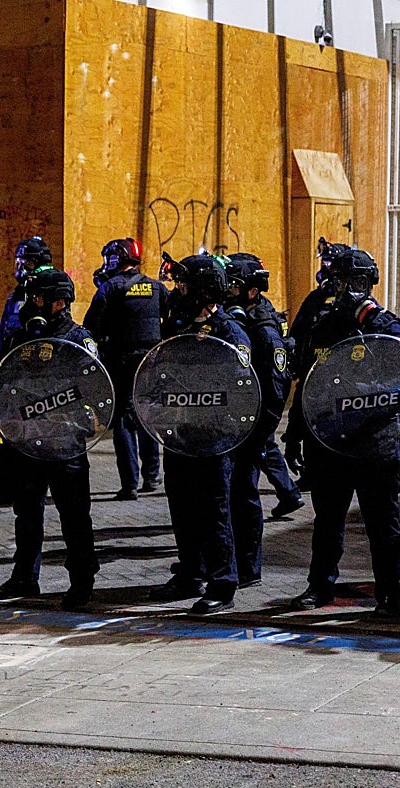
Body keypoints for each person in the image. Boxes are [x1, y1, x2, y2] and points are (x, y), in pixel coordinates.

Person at [281, 247, 400, 618]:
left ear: (367, 284)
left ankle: (391, 594)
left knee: (383, 524)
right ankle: (320, 585)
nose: (344, 291)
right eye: (339, 282)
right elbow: (309, 384)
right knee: (326, 522)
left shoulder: (386, 327)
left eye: (353, 283)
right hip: (330, 441)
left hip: (375, 441)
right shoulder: (323, 326)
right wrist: (296, 432)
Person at [0, 269, 100, 609]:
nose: (30, 304)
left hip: (65, 442)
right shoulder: (22, 338)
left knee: (75, 515)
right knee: (26, 512)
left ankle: (82, 581)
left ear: (58, 302)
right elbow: (6, 380)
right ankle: (25, 576)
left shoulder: (78, 339)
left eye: (37, 299)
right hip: (29, 441)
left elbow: (97, 389)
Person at [148, 254, 250, 615]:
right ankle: (191, 573)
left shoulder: (229, 333)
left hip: (213, 438)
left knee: (215, 512)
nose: (179, 290)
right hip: (180, 434)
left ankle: (223, 583)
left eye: (185, 284)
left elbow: (241, 387)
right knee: (183, 508)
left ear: (203, 290)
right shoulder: (179, 325)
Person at [224, 253, 293, 588]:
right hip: (234, 426)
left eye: (233, 285)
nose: (227, 291)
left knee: (244, 495)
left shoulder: (264, 330)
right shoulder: (239, 320)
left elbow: (276, 389)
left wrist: (259, 434)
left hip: (251, 430)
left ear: (251, 291)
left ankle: (249, 568)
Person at [83, 237, 167, 500]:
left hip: (120, 361)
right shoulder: (156, 287)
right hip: (151, 360)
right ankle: (152, 475)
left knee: (123, 420)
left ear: (117, 258)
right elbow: (171, 317)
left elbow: (90, 326)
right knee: (147, 415)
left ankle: (129, 483)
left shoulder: (110, 288)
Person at [0, 237, 51, 508]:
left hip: (31, 381)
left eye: (26, 261)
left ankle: (27, 488)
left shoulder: (46, 291)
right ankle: (5, 487)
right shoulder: (18, 294)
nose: (20, 266)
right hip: (7, 376)